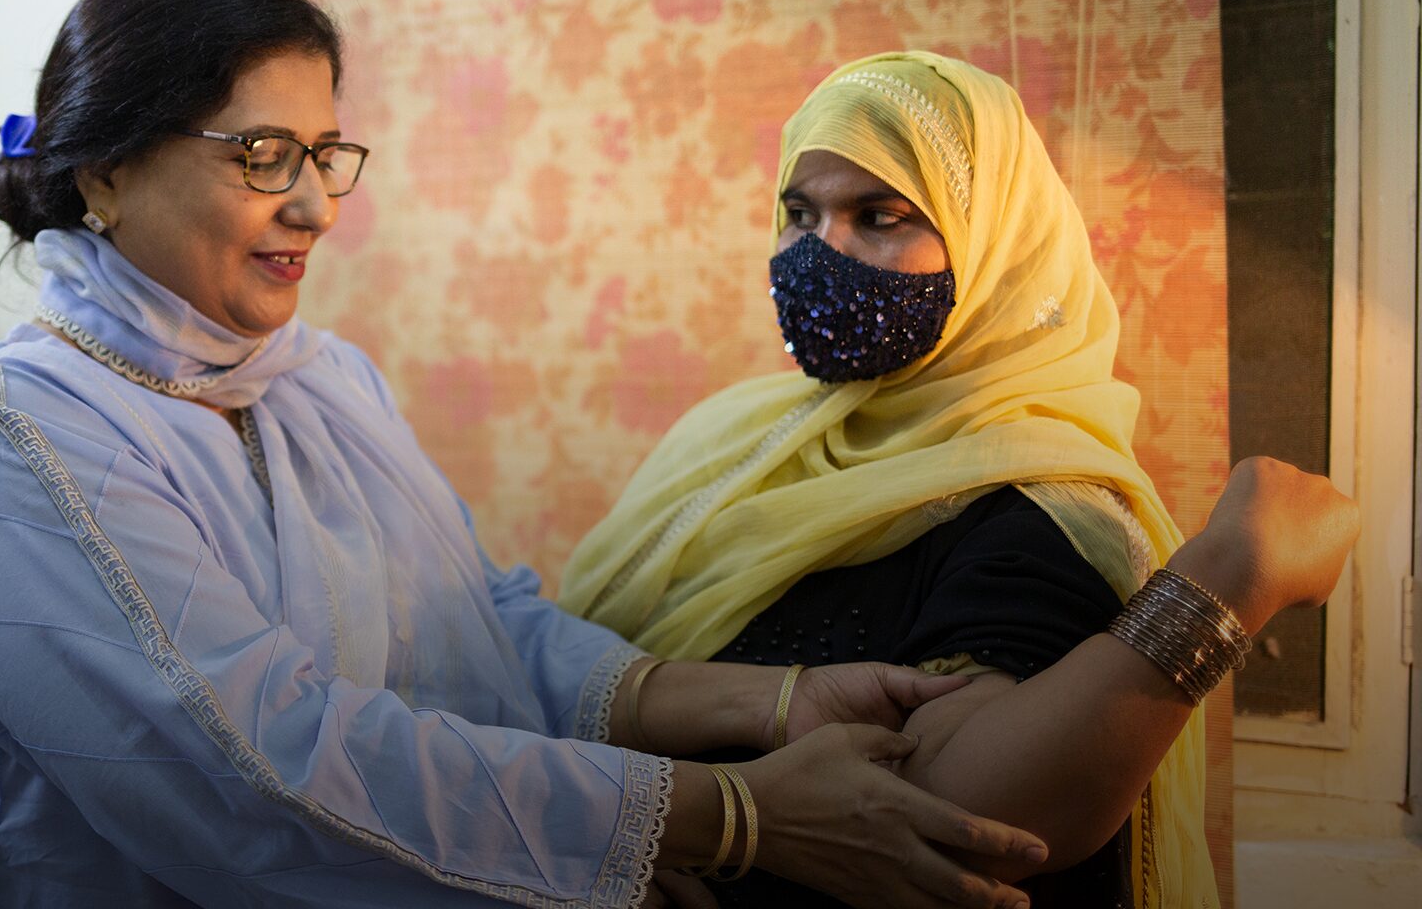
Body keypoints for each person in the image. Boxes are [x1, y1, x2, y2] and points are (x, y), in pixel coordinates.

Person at [0, 0, 1355, 909]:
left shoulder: (317, 383)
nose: (316, 205)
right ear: (105, 173)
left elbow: (482, 633)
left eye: (327, 154)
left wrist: (759, 709)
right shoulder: (14, 439)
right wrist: (717, 819)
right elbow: (260, 772)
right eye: (264, 156)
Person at [558, 52, 1357, 909]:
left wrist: (1228, 578)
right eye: (799, 212)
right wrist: (634, 831)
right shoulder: (734, 435)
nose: (819, 253)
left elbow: (964, 817)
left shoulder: (1036, 501)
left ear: (995, 247)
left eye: (879, 215)